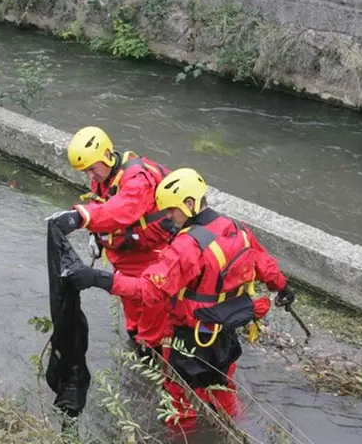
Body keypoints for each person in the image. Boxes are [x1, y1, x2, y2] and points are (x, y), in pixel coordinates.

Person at [62, 167, 295, 432]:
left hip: (190, 336)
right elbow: (265, 264)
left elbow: (149, 291)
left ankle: (183, 436)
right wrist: (283, 288)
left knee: (178, 396)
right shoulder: (236, 229)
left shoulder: (187, 246)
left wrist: (96, 278)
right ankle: (235, 431)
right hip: (227, 329)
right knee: (222, 385)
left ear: (189, 203)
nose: (169, 218)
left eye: (172, 211)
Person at [46, 126, 175, 355]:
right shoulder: (104, 175)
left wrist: (81, 217)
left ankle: (153, 354)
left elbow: (122, 209)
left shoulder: (138, 179)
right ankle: (137, 339)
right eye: (85, 171)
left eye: (91, 169)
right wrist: (95, 235)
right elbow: (102, 204)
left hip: (152, 256)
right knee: (130, 303)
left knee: (152, 307)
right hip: (128, 255)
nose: (89, 176)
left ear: (106, 155)